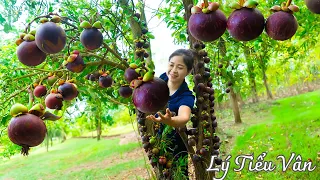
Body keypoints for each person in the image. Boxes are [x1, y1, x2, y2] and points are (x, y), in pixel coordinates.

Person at [146, 49, 195, 179]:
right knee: (162, 175)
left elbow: (184, 117)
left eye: (180, 67)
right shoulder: (160, 80)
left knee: (179, 176)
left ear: (188, 72)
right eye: (171, 65)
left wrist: (170, 121)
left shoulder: (186, 95)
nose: (173, 70)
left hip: (176, 145)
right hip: (157, 141)